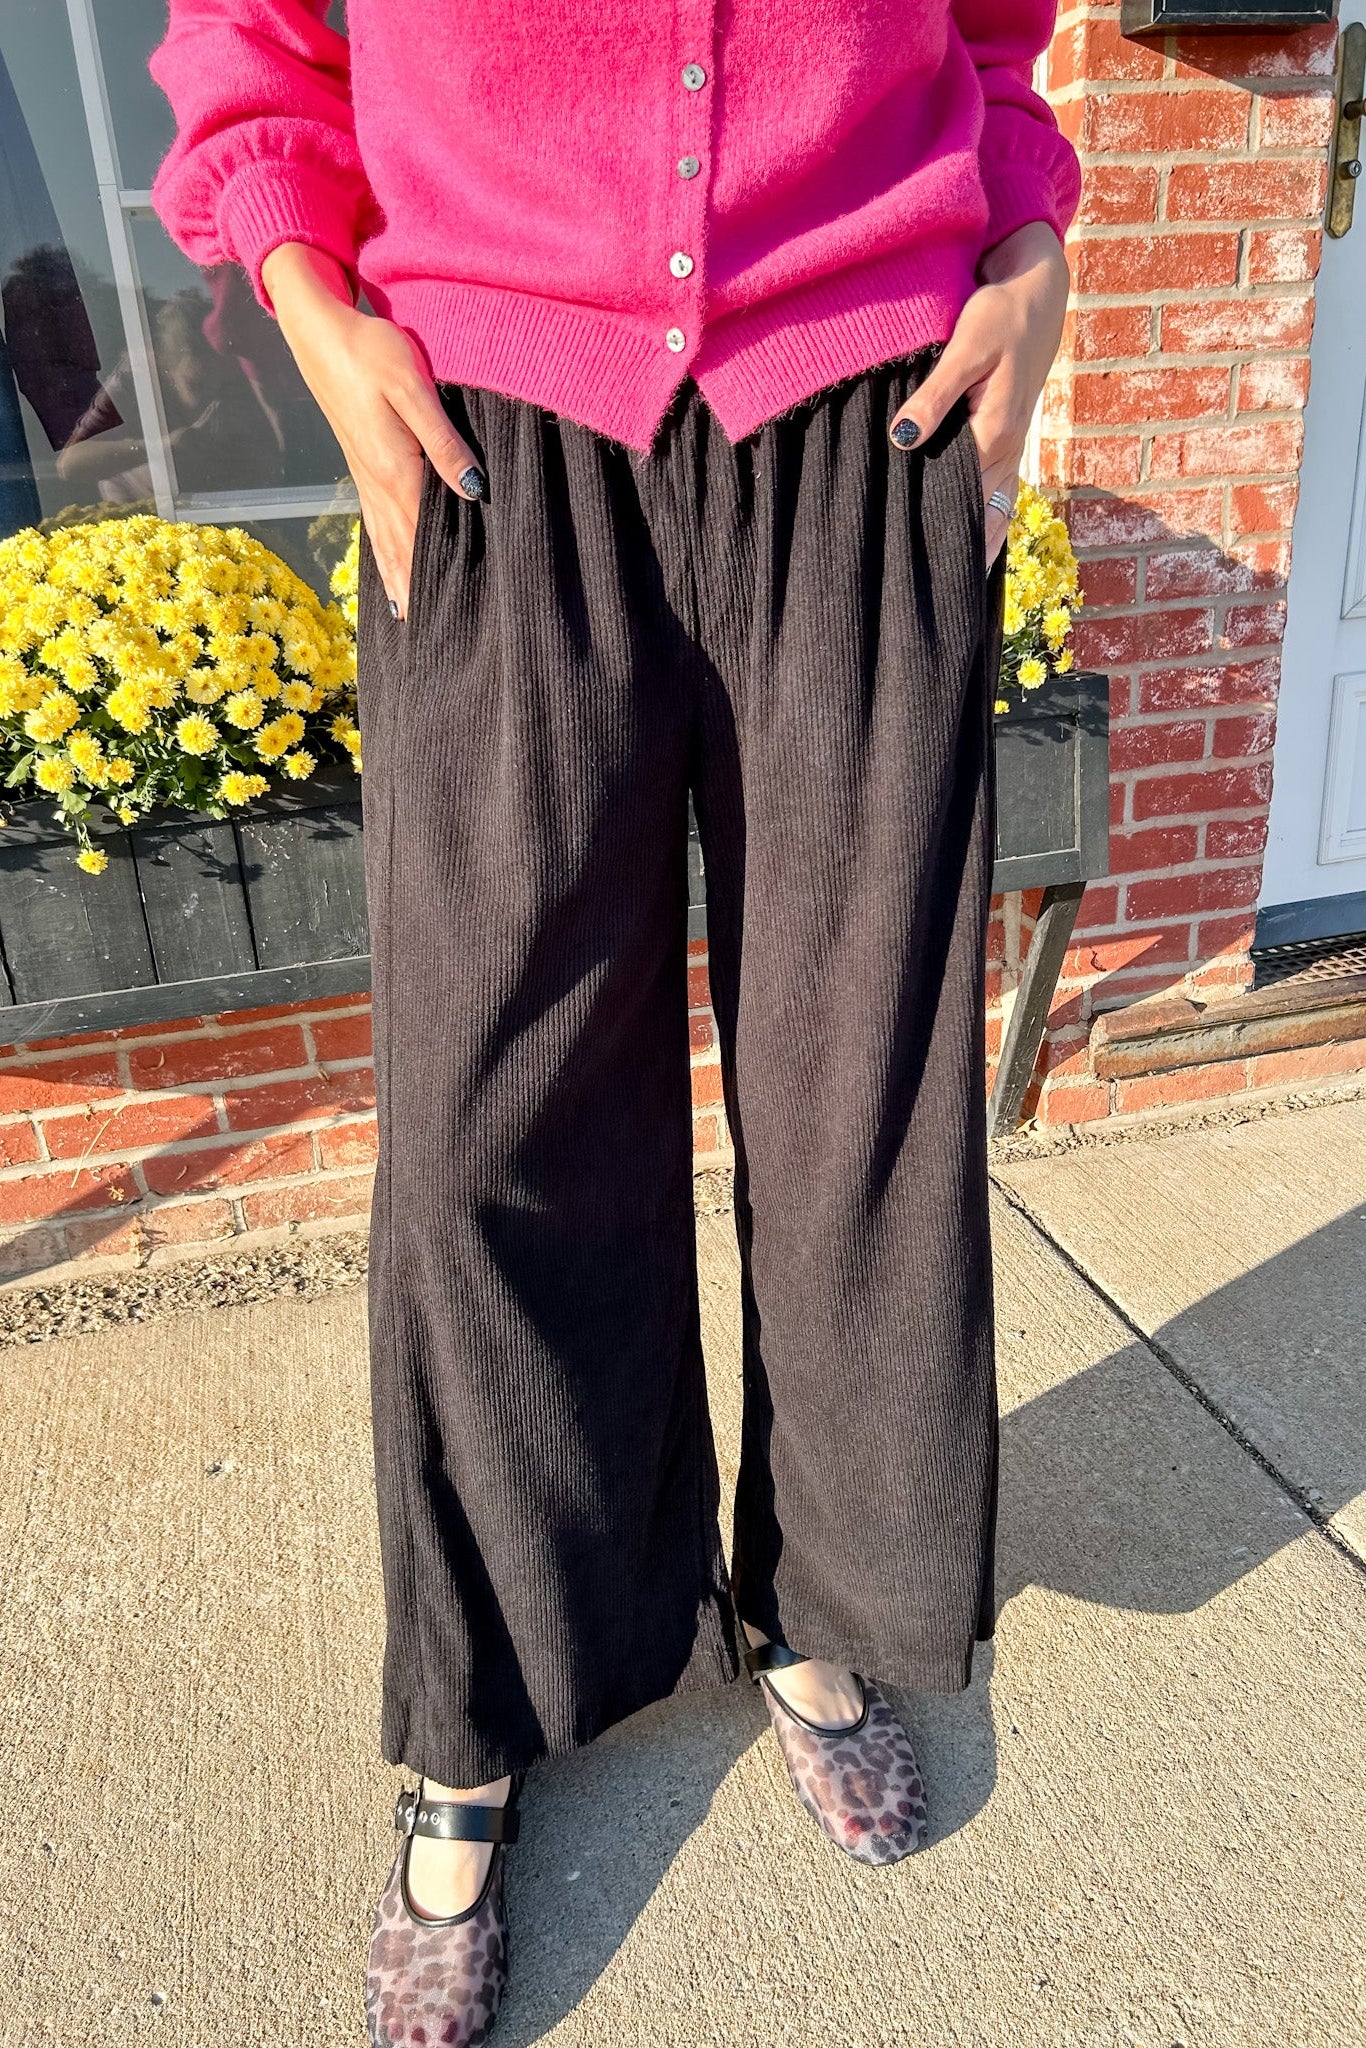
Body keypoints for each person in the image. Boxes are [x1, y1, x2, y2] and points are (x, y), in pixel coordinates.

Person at [149, 4, 1079, 2041]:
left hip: (863, 421)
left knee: (857, 1096)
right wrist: (311, 303)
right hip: (490, 434)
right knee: (488, 1127)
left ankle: (814, 1600)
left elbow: (996, 44)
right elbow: (249, 44)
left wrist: (1029, 250)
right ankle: (479, 1707)